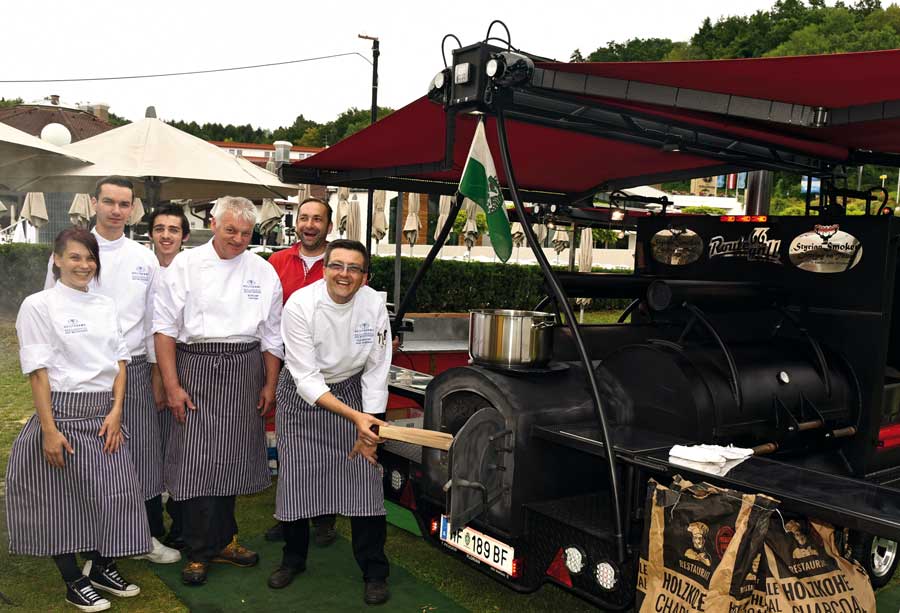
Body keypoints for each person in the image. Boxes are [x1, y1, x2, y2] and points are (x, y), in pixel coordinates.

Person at [9, 228, 151, 612]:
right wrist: (49, 429)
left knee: (117, 497)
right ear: (56, 260)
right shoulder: (38, 305)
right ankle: (73, 581)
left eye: (90, 259)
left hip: (104, 416)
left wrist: (117, 410)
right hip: (62, 416)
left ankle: (103, 567)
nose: (84, 265)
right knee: (60, 503)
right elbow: (38, 373)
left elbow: (120, 362)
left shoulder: (105, 305)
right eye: (75, 257)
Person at [43, 176, 180, 566]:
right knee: (93, 458)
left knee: (142, 455)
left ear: (132, 208)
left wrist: (155, 373)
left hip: (134, 368)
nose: (116, 210)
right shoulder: (70, 249)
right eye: (109, 202)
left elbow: (156, 318)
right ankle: (95, 539)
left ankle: (145, 535)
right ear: (94, 202)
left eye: (124, 204)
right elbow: (52, 311)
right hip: (81, 375)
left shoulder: (143, 257)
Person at [153, 196, 283, 586]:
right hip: (194, 366)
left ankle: (225, 540)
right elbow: (163, 329)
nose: (238, 239)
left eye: (245, 233)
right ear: (213, 224)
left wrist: (270, 383)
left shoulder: (263, 271)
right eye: (231, 230)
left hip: (244, 367)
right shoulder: (186, 266)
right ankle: (196, 549)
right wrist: (172, 385)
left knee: (232, 457)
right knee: (194, 459)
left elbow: (272, 335)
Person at [269, 239, 392, 605]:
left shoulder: (373, 304)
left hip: (353, 390)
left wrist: (370, 429)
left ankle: (374, 571)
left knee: (366, 481)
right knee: (296, 480)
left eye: (354, 268)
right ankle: (293, 560)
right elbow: (306, 378)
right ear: (324, 270)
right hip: (303, 398)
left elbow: (377, 369)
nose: (345, 274)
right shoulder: (300, 305)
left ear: (364, 276)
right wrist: (357, 418)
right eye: (337, 266)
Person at [266, 197, 338, 546]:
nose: (310, 225)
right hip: (287, 368)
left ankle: (324, 517)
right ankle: (288, 514)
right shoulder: (276, 261)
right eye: (304, 218)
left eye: (318, 219)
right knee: (290, 446)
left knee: (328, 444)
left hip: (332, 370)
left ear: (329, 225)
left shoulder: (341, 262)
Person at [147, 203, 191, 551]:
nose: (166, 235)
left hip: (181, 370)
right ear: (151, 234)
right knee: (148, 448)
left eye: (173, 230)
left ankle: (181, 521)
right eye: (159, 228)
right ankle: (149, 522)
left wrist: (167, 379)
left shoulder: (192, 270)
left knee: (180, 449)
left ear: (184, 236)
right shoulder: (142, 268)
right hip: (141, 370)